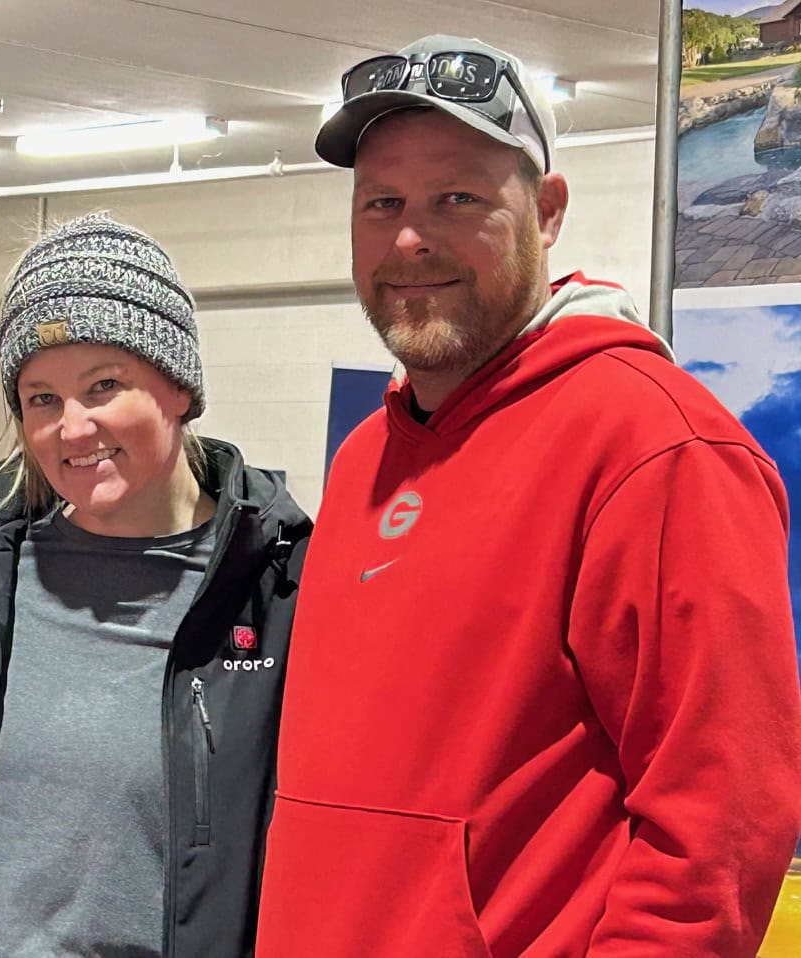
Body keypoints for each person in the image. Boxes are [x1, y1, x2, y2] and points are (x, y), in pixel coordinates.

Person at [257, 36, 801, 957]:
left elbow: (718, 833)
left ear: (547, 212)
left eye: (457, 199)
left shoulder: (658, 448)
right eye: (381, 203)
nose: (410, 238)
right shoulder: (362, 461)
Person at [0, 213, 312, 958]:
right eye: (41, 399)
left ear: (179, 386)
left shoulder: (282, 593)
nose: (73, 428)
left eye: (104, 385)